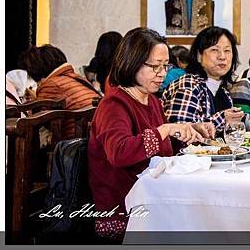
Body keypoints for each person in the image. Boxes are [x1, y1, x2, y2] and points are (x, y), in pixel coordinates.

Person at [88, 29, 207, 243]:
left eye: (165, 66)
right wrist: (165, 130)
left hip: (153, 195)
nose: (162, 73)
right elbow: (119, 153)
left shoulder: (150, 99)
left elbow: (161, 149)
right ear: (132, 62)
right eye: (154, 66)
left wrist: (187, 130)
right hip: (123, 207)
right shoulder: (114, 104)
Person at [161, 27, 244, 135]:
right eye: (214, 50)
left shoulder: (223, 92)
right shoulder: (188, 85)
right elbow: (180, 135)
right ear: (199, 56)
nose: (222, 56)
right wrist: (223, 119)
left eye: (227, 51)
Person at [18, 44, 101, 139]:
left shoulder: (51, 84)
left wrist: (34, 103)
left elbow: (39, 122)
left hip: (77, 142)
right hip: (96, 135)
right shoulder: (76, 78)